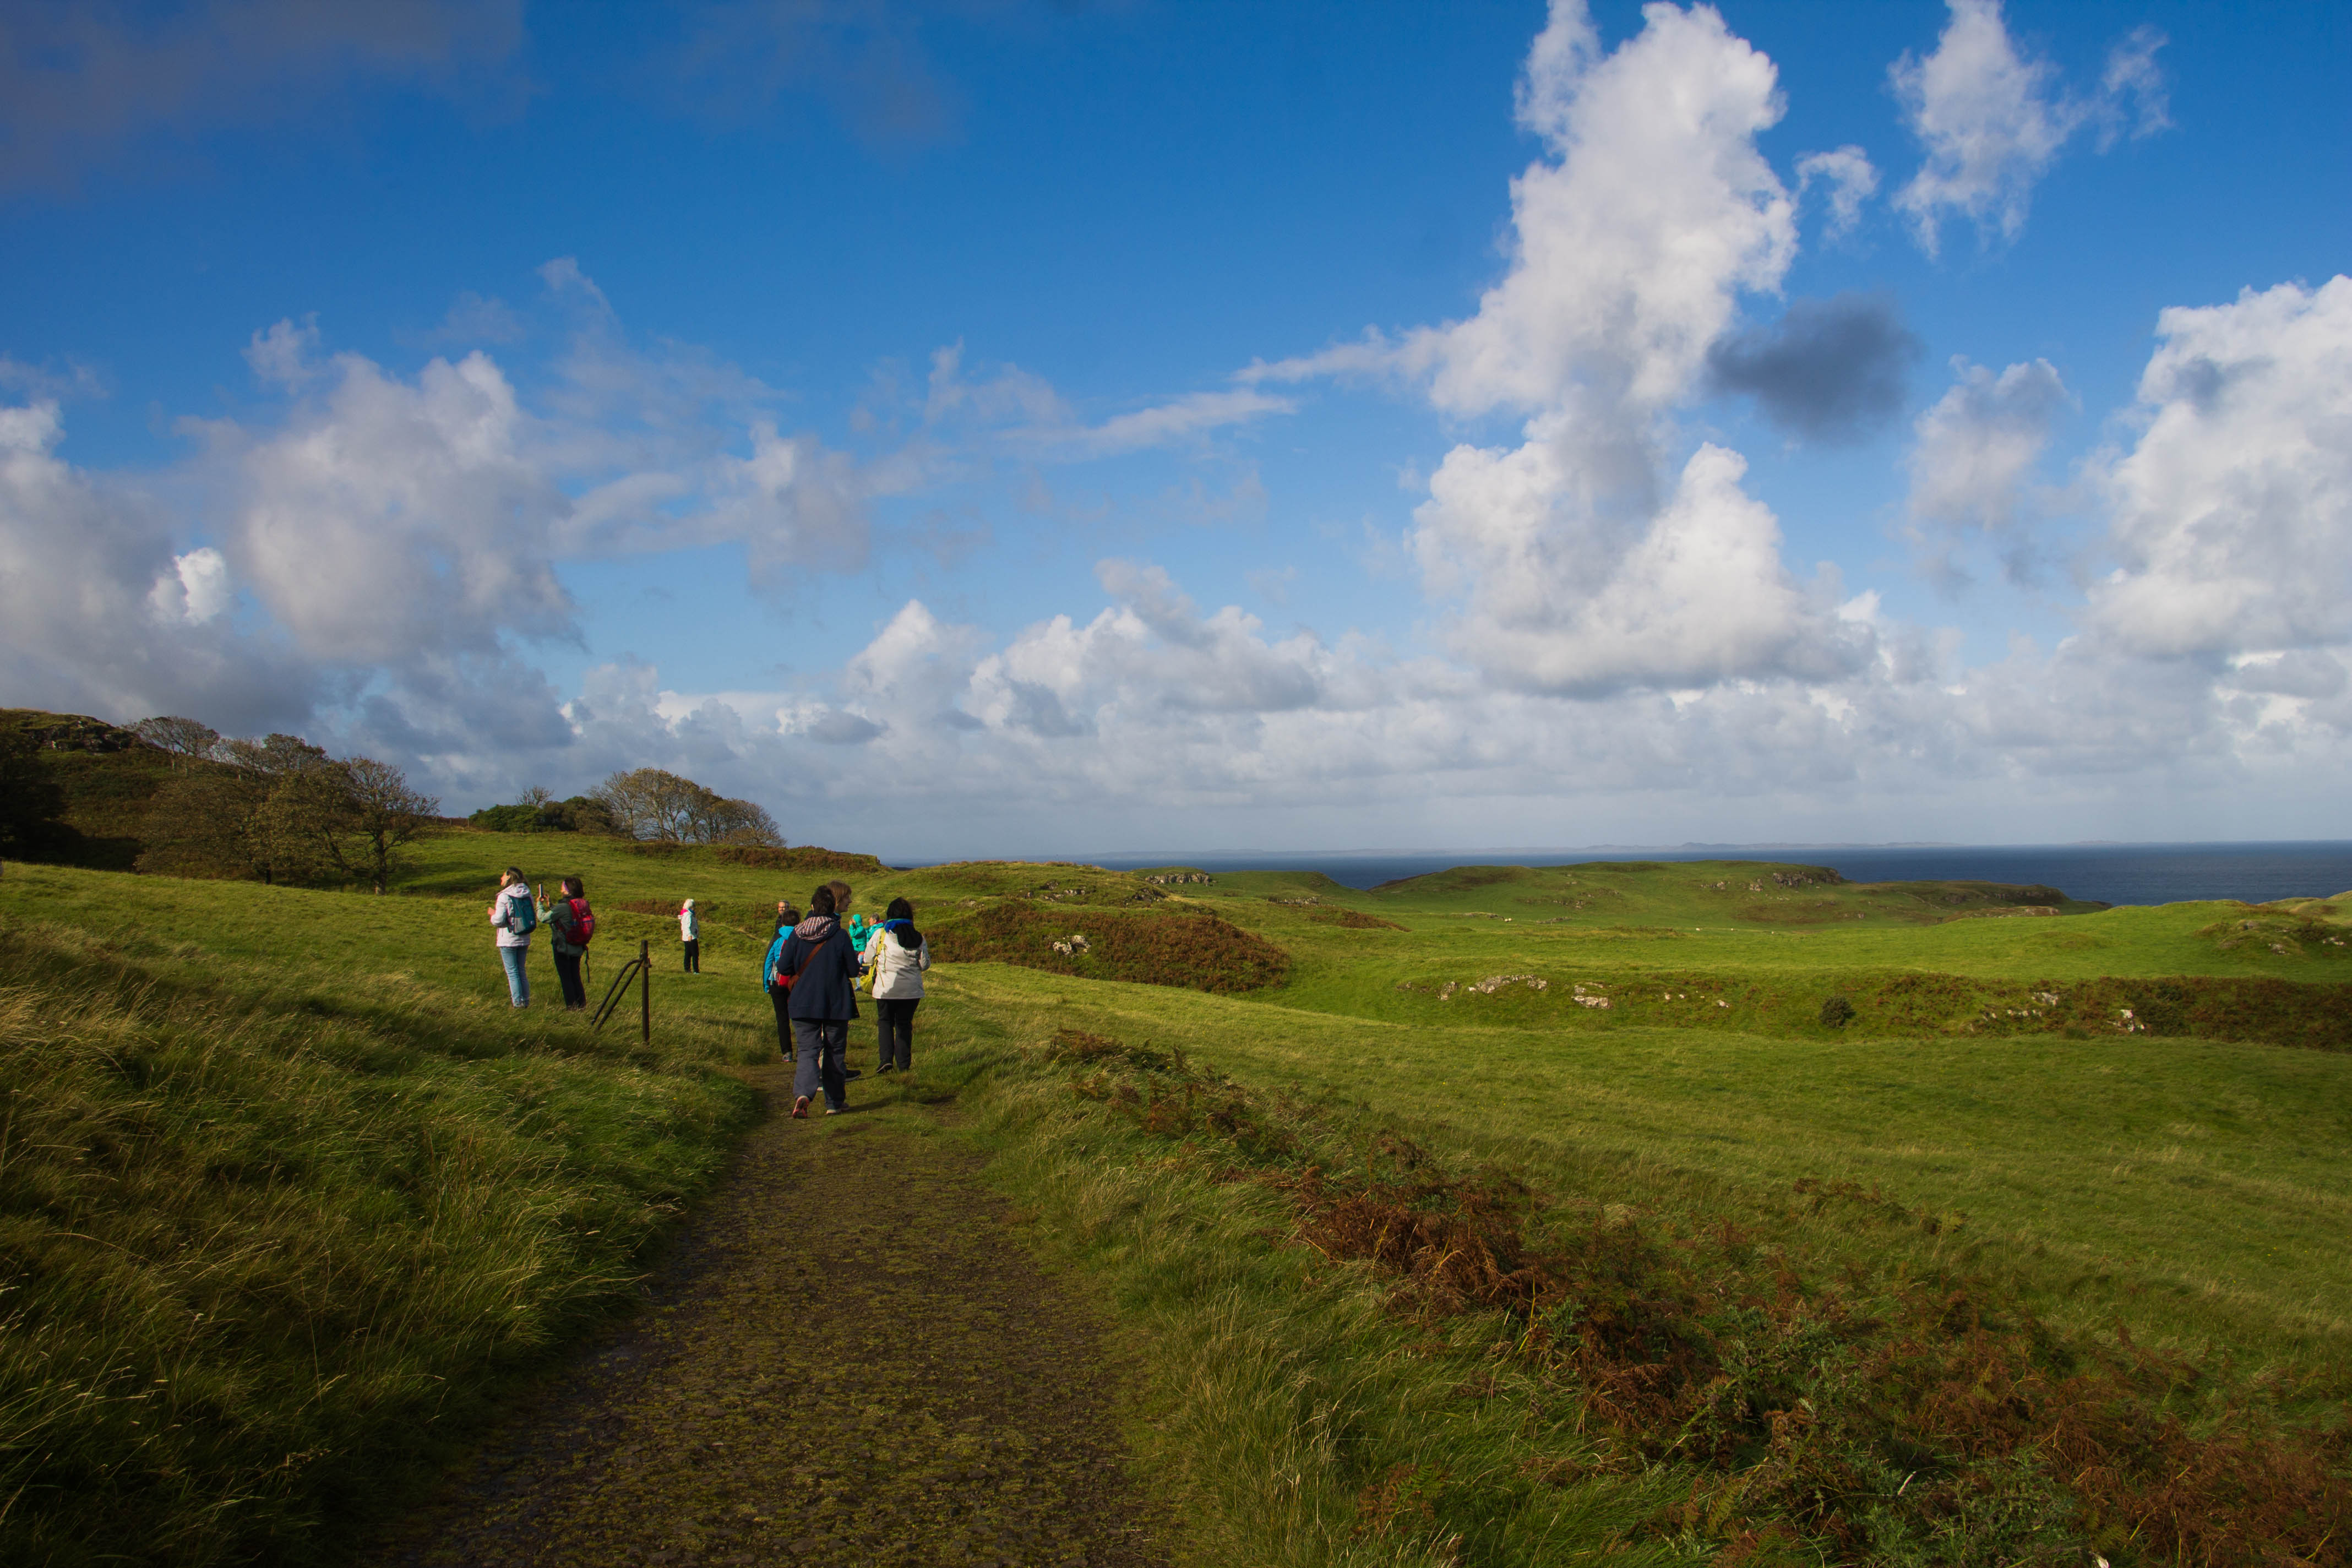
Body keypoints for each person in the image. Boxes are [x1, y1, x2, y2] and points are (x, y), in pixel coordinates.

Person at [778, 884, 864, 1118]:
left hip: (803, 1002)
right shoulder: (840, 935)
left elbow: (784, 967)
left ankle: (803, 1094)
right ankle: (834, 1103)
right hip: (835, 1003)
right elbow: (853, 970)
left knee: (808, 1050)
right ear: (832, 908)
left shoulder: (797, 934)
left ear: (812, 907)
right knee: (834, 1051)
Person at [863, 896, 929, 1075]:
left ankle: (886, 1060)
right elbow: (924, 965)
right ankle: (904, 1065)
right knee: (904, 1025)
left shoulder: (881, 935)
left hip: (886, 989)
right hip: (911, 991)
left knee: (885, 1022)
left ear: (890, 915)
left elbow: (868, 958)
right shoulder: (918, 938)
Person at [542, 875, 594, 1011]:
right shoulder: (582, 904)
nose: (561, 890)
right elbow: (567, 915)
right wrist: (551, 905)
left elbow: (543, 918)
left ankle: (571, 1007)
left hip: (563, 947)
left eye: (562, 888)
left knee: (566, 978)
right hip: (578, 946)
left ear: (567, 890)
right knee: (576, 977)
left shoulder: (563, 907)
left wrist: (539, 906)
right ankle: (581, 1005)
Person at [487, 866, 535, 1008]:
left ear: (509, 877)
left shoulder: (504, 896)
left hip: (508, 939)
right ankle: (525, 1001)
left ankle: (518, 1004)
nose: (501, 878)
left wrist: (492, 915)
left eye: (503, 875)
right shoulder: (527, 893)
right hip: (524, 937)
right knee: (521, 971)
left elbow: (499, 920)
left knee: (513, 973)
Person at [760, 902, 802, 1063]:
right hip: (795, 982)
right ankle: (802, 1050)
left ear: (782, 922)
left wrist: (766, 983)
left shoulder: (777, 937)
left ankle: (787, 1052)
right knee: (799, 1018)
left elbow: (769, 961)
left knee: (782, 1018)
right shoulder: (801, 937)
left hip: (777, 981)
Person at [678, 898, 701, 973]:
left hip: (687, 937)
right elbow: (687, 926)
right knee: (695, 954)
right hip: (691, 937)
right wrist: (689, 935)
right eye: (693, 907)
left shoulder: (686, 914)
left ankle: (687, 969)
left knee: (688, 954)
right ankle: (696, 971)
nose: (694, 908)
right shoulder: (688, 915)